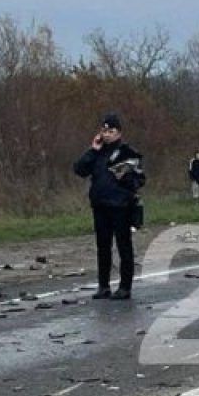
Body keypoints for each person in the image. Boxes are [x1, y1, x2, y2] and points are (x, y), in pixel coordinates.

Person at [73, 114, 145, 300]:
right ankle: (103, 286)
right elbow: (79, 170)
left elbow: (139, 179)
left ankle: (125, 287)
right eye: (104, 131)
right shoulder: (98, 152)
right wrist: (92, 150)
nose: (107, 135)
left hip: (121, 206)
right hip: (100, 205)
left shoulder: (127, 152)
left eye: (111, 131)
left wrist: (126, 179)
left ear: (119, 132)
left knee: (124, 247)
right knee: (103, 247)